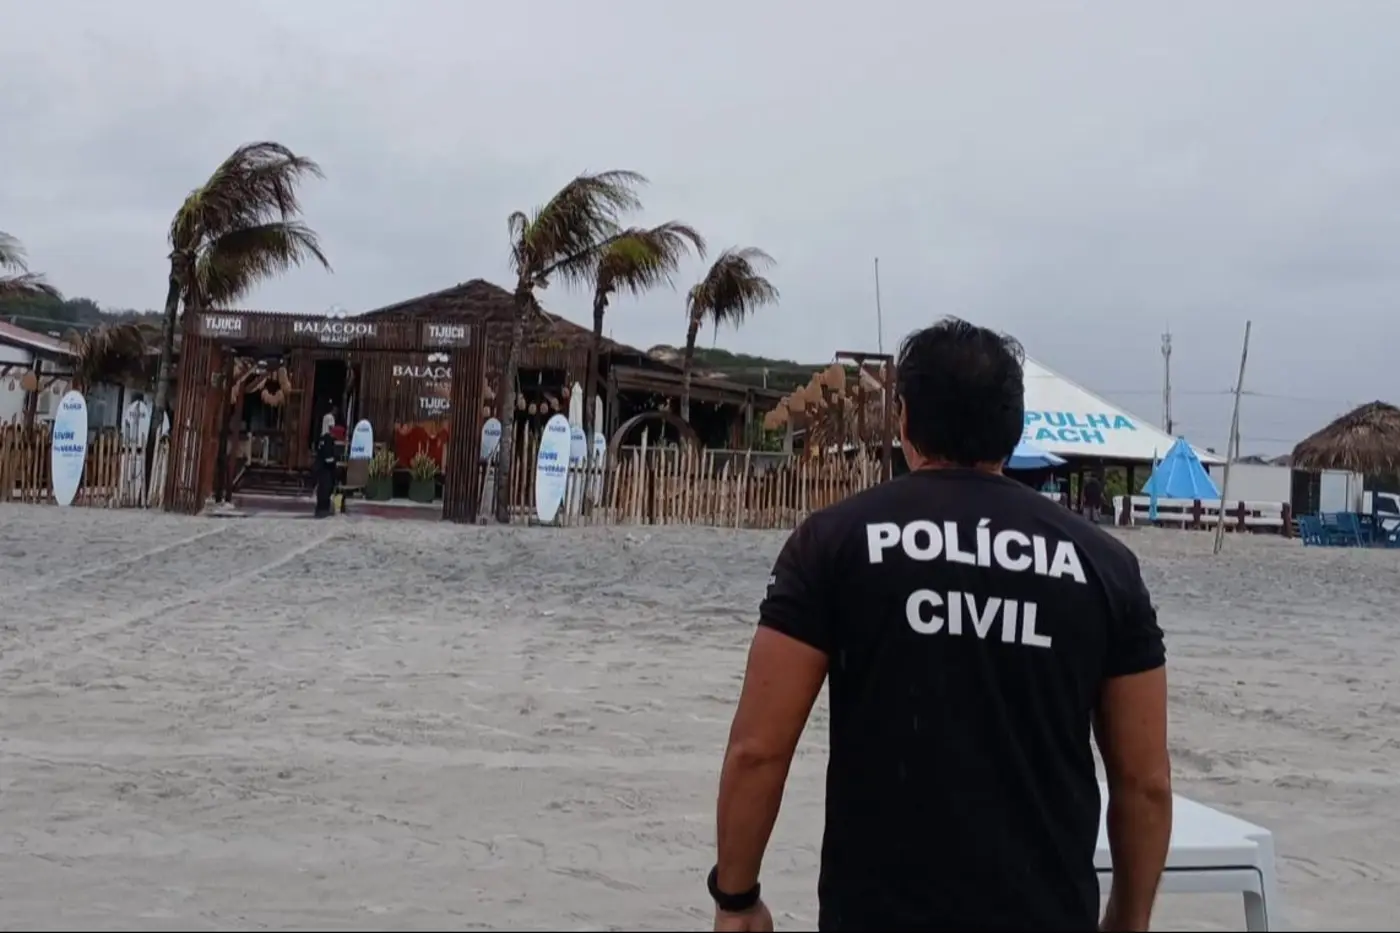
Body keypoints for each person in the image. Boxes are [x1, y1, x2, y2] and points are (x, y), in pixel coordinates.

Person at [710, 318, 1171, 932]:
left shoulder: (832, 543)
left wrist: (737, 900)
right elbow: (1144, 782)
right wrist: (1129, 918)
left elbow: (759, 750)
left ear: (903, 420)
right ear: (1014, 426)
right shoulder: (1104, 564)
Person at [313, 427, 338, 518]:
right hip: (326, 469)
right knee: (326, 488)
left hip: (320, 467)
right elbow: (328, 457)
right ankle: (323, 509)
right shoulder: (328, 440)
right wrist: (334, 463)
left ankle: (321, 508)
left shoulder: (322, 439)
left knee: (322, 488)